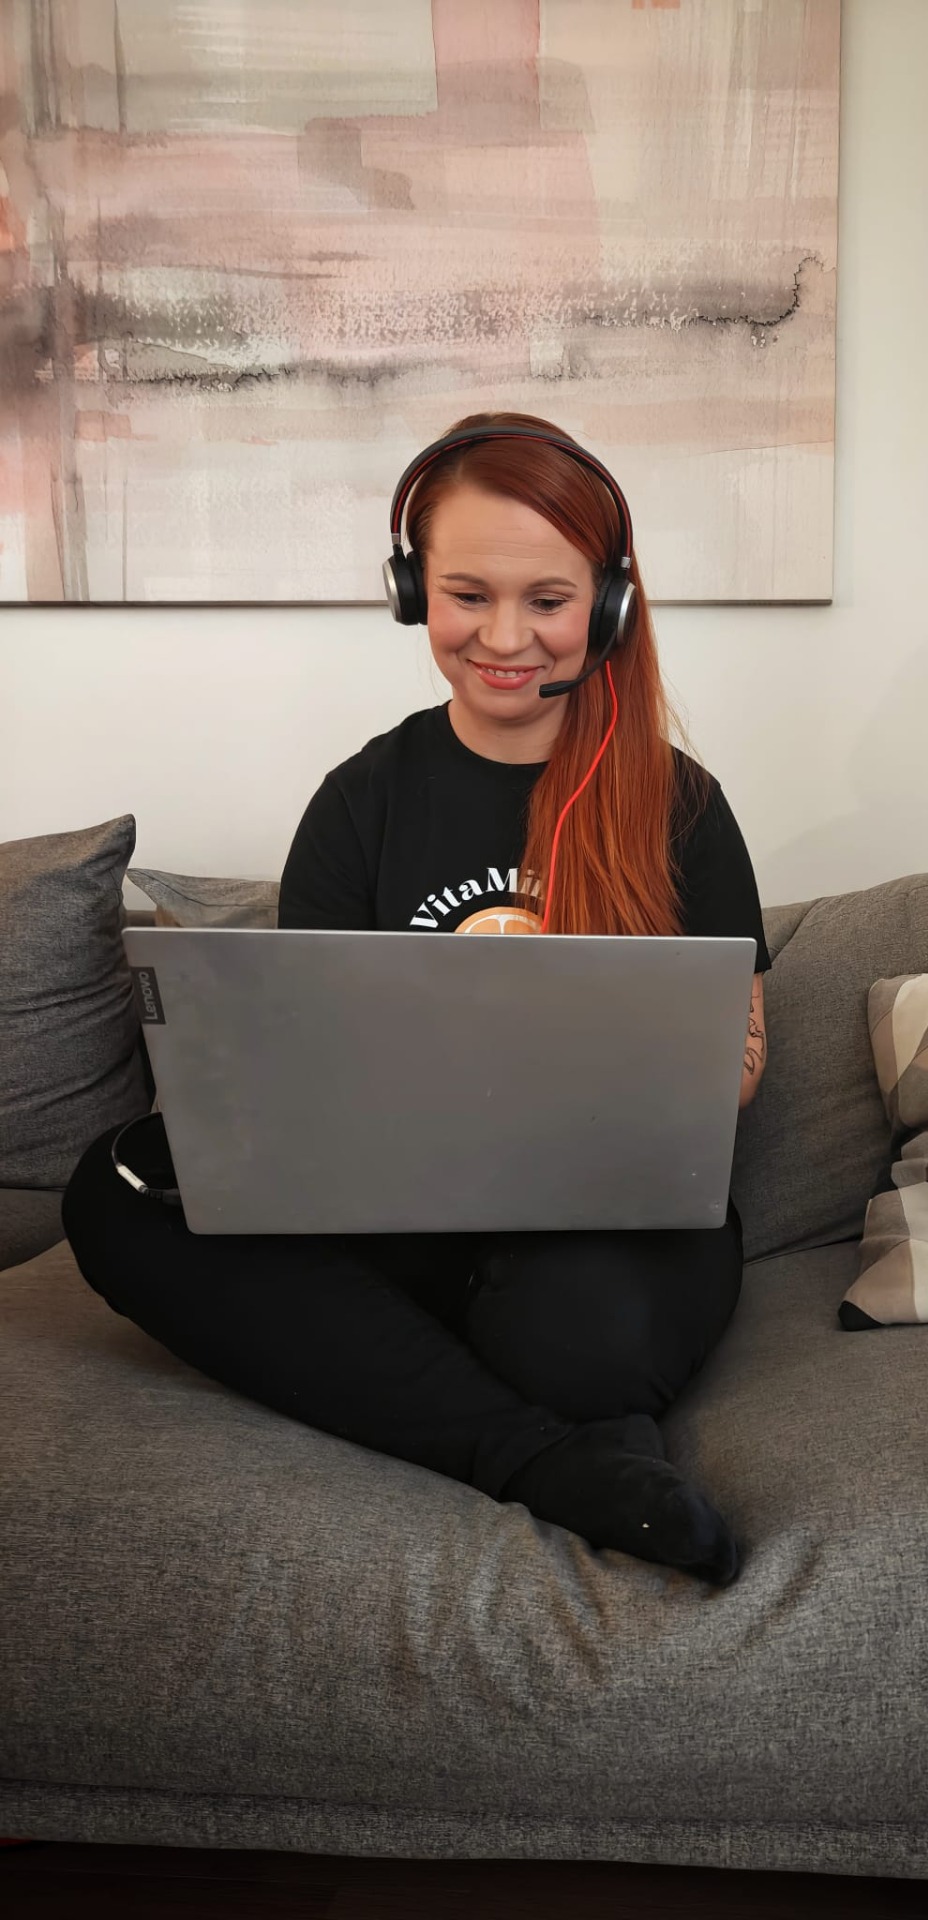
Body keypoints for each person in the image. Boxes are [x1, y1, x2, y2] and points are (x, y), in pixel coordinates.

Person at [62, 412, 772, 1588]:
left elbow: (742, 1062)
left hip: (606, 1216)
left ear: (608, 605)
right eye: (466, 595)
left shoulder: (678, 801)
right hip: (399, 1217)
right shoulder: (364, 800)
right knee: (119, 1192)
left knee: (579, 1343)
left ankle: (415, 1383)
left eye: (548, 600)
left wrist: (668, 1071)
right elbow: (308, 1064)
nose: (506, 637)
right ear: (413, 591)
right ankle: (548, 1462)